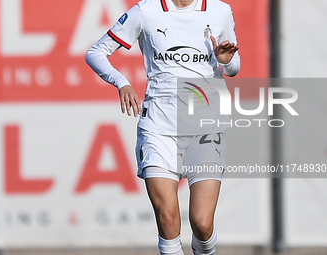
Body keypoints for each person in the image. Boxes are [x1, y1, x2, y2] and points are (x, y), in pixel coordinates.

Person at [85, 0, 240, 253]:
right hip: (158, 126)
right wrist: (121, 82)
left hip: (206, 126)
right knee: (168, 221)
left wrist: (226, 60)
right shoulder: (146, 11)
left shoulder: (219, 10)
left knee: (202, 223)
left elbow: (233, 67)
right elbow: (95, 52)